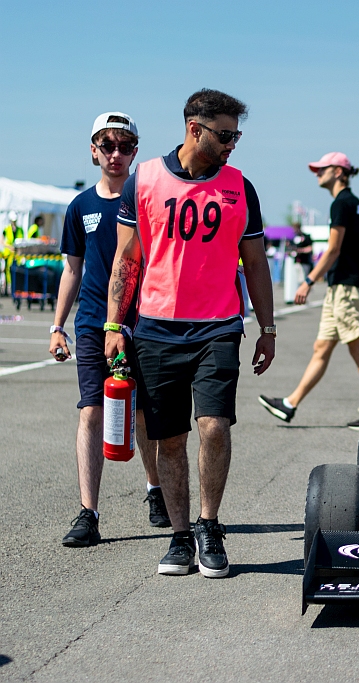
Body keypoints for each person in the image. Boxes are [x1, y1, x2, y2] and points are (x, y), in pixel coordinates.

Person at [107, 89, 276, 578]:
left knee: (214, 426)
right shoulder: (145, 179)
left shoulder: (240, 186)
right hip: (157, 329)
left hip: (218, 328)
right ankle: (180, 537)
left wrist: (266, 328)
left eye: (236, 135)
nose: (232, 144)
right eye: (226, 135)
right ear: (194, 128)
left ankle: (209, 525)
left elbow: (257, 264)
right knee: (171, 439)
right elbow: (128, 259)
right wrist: (115, 324)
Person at [50, 112, 165, 547]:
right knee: (91, 412)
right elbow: (71, 270)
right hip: (93, 324)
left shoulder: (148, 197)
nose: (116, 154)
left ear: (136, 152)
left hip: (146, 321)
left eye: (125, 146)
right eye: (108, 146)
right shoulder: (80, 206)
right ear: (94, 150)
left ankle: (155, 488)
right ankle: (88, 513)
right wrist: (57, 326)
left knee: (144, 415)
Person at [258, 152, 359, 430]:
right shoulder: (352, 203)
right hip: (343, 286)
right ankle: (290, 404)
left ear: (339, 171)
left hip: (346, 287)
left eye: (322, 169)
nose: (317, 173)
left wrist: (309, 281)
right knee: (321, 348)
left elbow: (333, 249)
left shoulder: (342, 203)